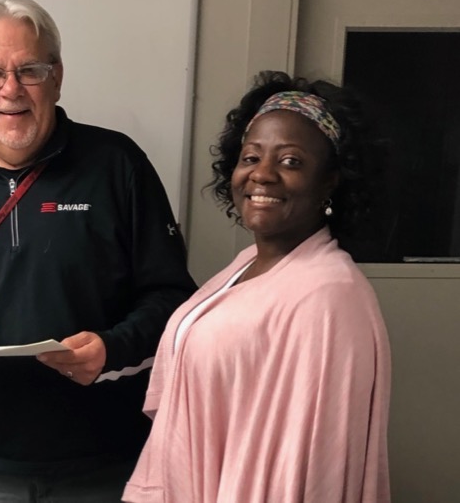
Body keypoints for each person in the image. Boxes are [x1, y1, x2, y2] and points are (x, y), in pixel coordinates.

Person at [0, 0, 197, 502]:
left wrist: (113, 348)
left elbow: (173, 296)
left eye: (30, 70)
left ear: (57, 76)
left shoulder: (117, 166)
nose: (10, 90)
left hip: (105, 459)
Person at [123, 71, 392, 503]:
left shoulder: (330, 295)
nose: (262, 175)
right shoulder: (246, 265)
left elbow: (310, 464)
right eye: (251, 157)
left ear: (330, 181)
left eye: (291, 161)